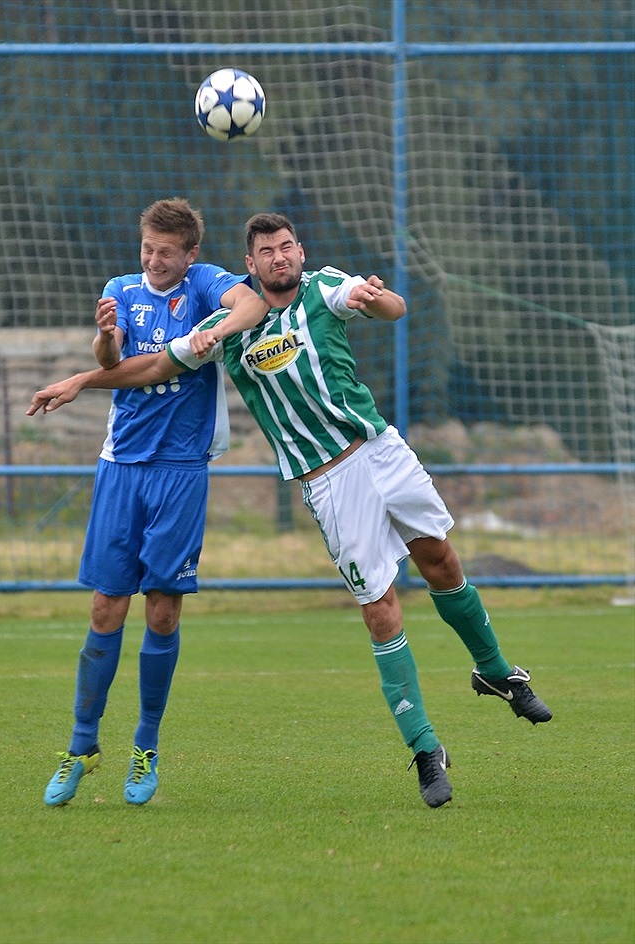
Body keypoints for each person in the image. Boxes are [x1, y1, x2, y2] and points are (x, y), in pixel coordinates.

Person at [29, 212, 552, 809]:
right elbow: (151, 367)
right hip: (328, 480)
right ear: (249, 265)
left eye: (286, 247)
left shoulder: (323, 286)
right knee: (381, 608)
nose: (280, 258)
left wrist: (372, 297)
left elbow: (392, 308)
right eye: (266, 252)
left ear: (300, 252)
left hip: (381, 446)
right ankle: (425, 749)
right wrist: (83, 378)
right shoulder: (225, 328)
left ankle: (496, 671)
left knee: (441, 561)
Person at [39, 198, 268, 808]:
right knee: (105, 606)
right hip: (122, 467)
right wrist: (104, 342)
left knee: (163, 610)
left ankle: (145, 745)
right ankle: (82, 744)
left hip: (181, 470)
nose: (154, 260)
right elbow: (116, 364)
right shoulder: (120, 288)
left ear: (189, 254)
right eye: (148, 248)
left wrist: (211, 333)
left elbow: (252, 302)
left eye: (166, 251)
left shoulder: (202, 284)